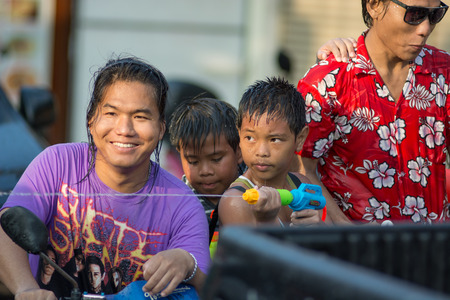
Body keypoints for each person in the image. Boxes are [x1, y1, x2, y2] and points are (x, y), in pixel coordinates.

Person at [0, 56, 210, 299]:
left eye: (141, 117)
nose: (124, 129)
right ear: (91, 120)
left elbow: (205, 283)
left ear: (161, 128)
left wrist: (186, 262)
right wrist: (26, 289)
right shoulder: (56, 163)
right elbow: (7, 228)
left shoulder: (182, 202)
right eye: (111, 113)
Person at [297, 0, 450, 225]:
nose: (425, 28)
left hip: (431, 249)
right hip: (352, 252)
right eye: (415, 14)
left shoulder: (444, 72)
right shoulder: (328, 81)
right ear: (374, 5)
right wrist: (345, 231)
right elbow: (300, 167)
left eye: (435, 15)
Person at [219, 77, 325, 227]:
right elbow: (257, 250)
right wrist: (265, 221)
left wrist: (316, 228)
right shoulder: (236, 201)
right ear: (239, 135)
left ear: (300, 138)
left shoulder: (300, 184)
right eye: (250, 137)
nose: (261, 152)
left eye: (274, 140)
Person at [168, 97, 244, 243]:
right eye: (193, 161)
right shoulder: (177, 206)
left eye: (216, 159)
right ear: (180, 153)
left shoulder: (256, 190)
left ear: (239, 151)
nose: (205, 171)